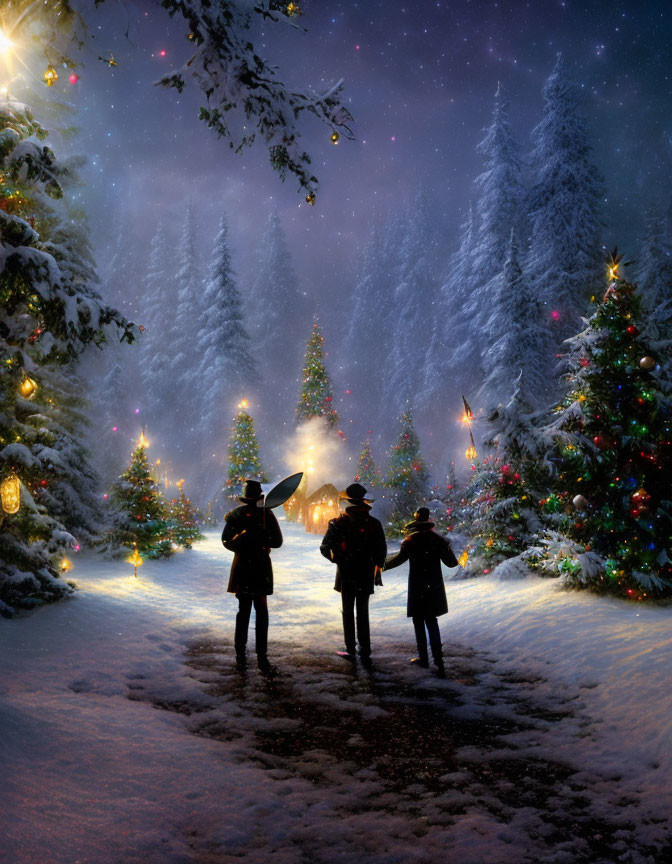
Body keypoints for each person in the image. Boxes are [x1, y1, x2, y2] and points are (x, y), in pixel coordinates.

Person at [383, 507, 458, 677]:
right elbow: (452, 563)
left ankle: (423, 658)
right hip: (434, 585)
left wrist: (382, 566)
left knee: (418, 620)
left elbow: (398, 560)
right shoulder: (438, 541)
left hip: (417, 586)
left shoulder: (410, 541)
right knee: (432, 621)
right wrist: (447, 549)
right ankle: (439, 661)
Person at [320, 483, 387, 664]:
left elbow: (325, 548)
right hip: (365, 573)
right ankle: (365, 648)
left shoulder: (338, 523)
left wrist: (339, 558)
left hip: (346, 573)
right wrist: (376, 566)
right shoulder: (374, 524)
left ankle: (350, 648)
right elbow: (381, 550)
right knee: (362, 611)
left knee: (347, 611)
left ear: (348, 501)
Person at [222, 479, 283, 674]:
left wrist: (247, 540)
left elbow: (226, 541)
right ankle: (259, 657)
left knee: (245, 611)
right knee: (260, 612)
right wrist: (250, 539)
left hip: (245, 567)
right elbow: (277, 541)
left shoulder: (243, 515)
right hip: (257, 567)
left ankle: (243, 655)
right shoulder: (264, 514)